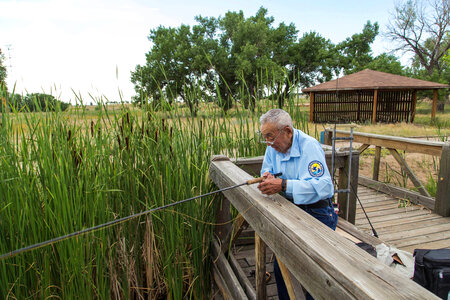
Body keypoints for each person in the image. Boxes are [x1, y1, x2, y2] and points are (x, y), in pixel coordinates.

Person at [257, 109, 337, 300]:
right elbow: (266, 169)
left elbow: (324, 187)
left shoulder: (310, 146)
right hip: (289, 210)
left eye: (270, 136)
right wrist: (267, 178)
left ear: (288, 131)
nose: (268, 142)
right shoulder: (272, 148)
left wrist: (284, 185)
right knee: (281, 264)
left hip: (317, 213)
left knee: (314, 270)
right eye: (264, 137)